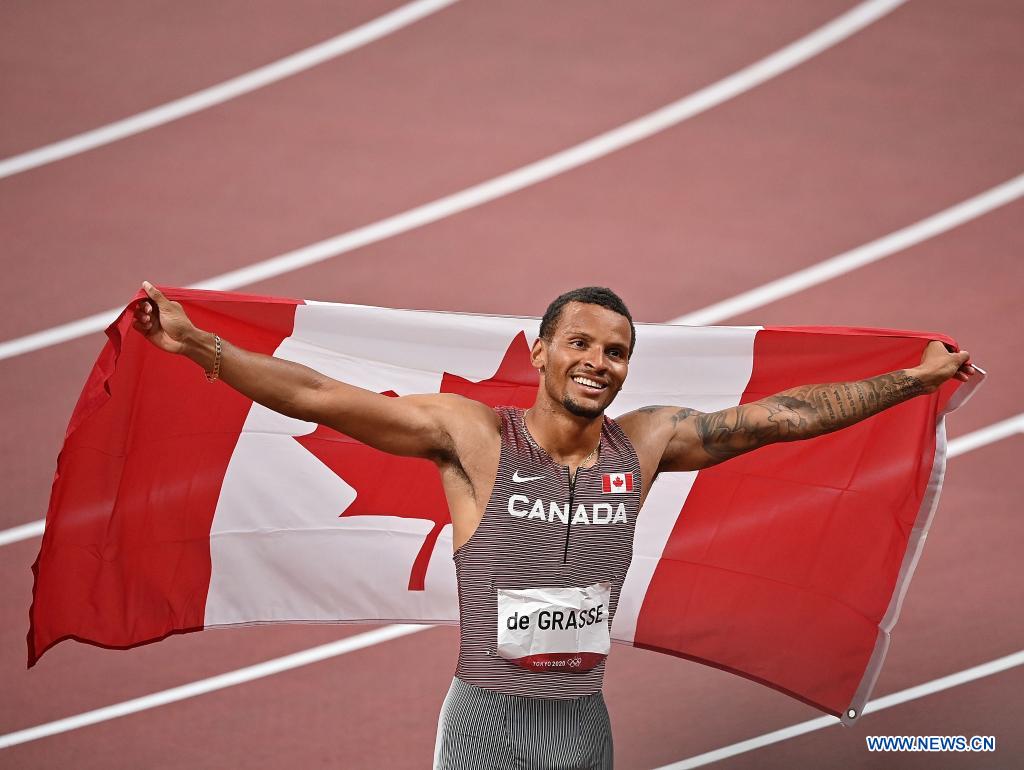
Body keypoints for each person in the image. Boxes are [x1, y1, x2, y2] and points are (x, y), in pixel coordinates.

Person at [132, 282, 975, 769]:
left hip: (583, 724)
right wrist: (199, 345)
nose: (596, 362)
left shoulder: (648, 443)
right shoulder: (473, 438)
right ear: (540, 352)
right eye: (579, 343)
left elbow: (783, 417)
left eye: (615, 352)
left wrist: (911, 381)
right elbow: (320, 396)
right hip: (486, 722)